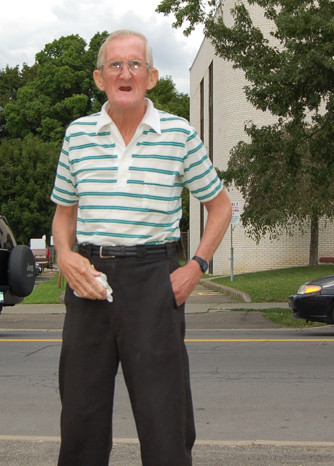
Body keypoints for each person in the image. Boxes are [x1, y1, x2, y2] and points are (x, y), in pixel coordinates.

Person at [50, 29, 232, 466]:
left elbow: (221, 207)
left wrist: (196, 265)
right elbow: (64, 215)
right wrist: (65, 254)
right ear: (99, 78)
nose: (125, 72)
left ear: (150, 77)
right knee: (80, 421)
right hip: (90, 283)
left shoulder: (178, 135)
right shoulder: (77, 136)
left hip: (154, 280)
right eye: (115, 64)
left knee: (164, 423)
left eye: (135, 64)